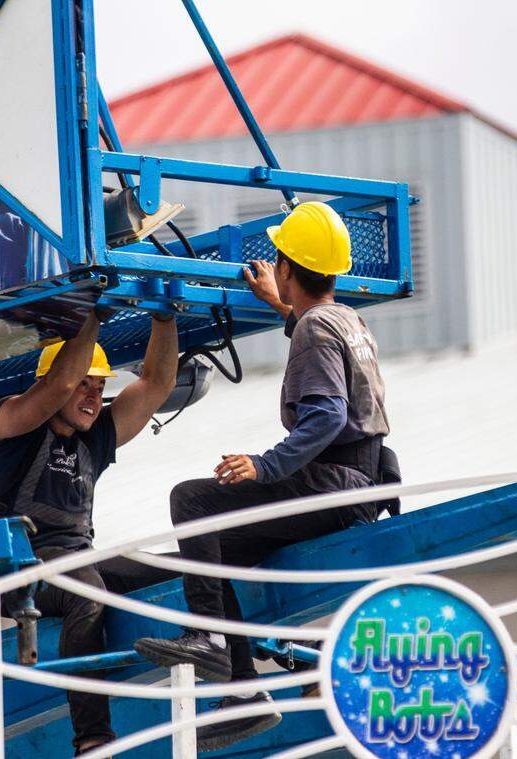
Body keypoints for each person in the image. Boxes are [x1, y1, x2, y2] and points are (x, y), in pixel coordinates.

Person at [133, 201, 392, 751]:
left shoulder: (317, 329)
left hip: (335, 484)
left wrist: (266, 465)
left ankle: (210, 638)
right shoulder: (347, 319)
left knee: (193, 502)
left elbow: (327, 414)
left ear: (288, 264)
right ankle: (244, 690)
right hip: (360, 484)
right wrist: (281, 303)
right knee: (212, 544)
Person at [0, 308, 178, 756]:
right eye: (86, 383)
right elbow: (59, 386)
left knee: (180, 568)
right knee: (87, 592)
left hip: (75, 560)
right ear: (48, 385)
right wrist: (92, 312)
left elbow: (156, 384)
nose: (92, 396)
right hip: (14, 572)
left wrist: (165, 319)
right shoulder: (11, 425)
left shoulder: (94, 437)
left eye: (101, 386)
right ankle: (92, 738)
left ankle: (239, 669)